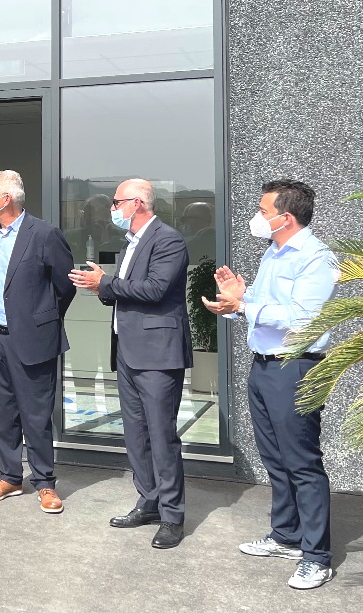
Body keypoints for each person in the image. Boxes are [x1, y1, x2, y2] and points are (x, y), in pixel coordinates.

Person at [202, 179, 337, 589]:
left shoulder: (316, 257)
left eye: (263, 211)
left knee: (302, 462)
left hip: (295, 368)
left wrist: (245, 305)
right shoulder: (273, 252)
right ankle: (286, 536)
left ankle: (317, 557)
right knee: (275, 459)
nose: (257, 218)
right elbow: (258, 308)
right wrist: (235, 301)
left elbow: (303, 317)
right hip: (263, 367)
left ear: (286, 217)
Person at [68, 179, 192, 549]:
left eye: (116, 202)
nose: (112, 208)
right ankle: (149, 501)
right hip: (127, 350)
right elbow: (124, 292)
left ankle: (172, 516)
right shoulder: (130, 243)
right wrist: (100, 287)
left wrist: (106, 283)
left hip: (158, 353)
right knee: (136, 434)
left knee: (161, 436)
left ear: (136, 203)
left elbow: (155, 290)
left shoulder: (168, 240)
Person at [0, 170, 75, 513]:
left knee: (36, 415)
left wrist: (40, 319)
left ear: (6, 199)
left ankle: (45, 482)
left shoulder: (45, 234)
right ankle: (9, 477)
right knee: (1, 413)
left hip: (33, 339)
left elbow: (65, 285)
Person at [180, 201, 215, 265]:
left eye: (194, 218)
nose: (189, 222)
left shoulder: (211, 237)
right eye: (185, 219)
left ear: (208, 219)